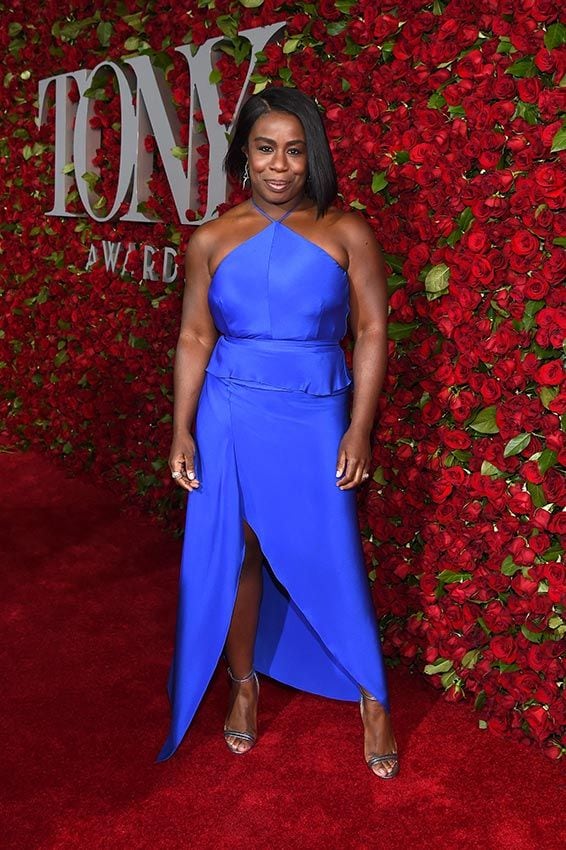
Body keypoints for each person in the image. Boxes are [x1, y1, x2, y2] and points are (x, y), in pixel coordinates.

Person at [156, 86, 399, 779]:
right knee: (239, 555)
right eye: (266, 148)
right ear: (243, 155)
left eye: (296, 150)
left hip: (315, 411)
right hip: (229, 410)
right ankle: (242, 686)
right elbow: (195, 335)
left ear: (313, 155)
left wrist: (359, 428)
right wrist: (181, 430)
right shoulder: (210, 239)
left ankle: (372, 695)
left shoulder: (346, 231)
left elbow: (374, 330)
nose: (281, 165)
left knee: (332, 550)